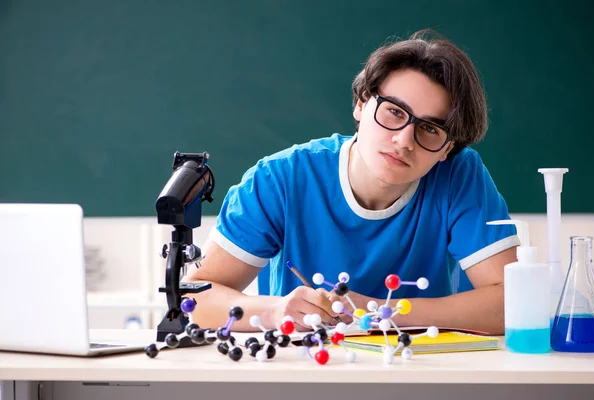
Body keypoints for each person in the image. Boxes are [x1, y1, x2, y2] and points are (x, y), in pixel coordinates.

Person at [184, 29, 519, 335]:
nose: (404, 140)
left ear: (448, 149)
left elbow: (512, 306)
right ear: (361, 103)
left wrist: (379, 312)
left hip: (420, 371)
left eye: (430, 129)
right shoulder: (280, 179)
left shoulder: (460, 176)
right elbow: (193, 301)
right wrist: (276, 310)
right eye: (393, 112)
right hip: (304, 372)